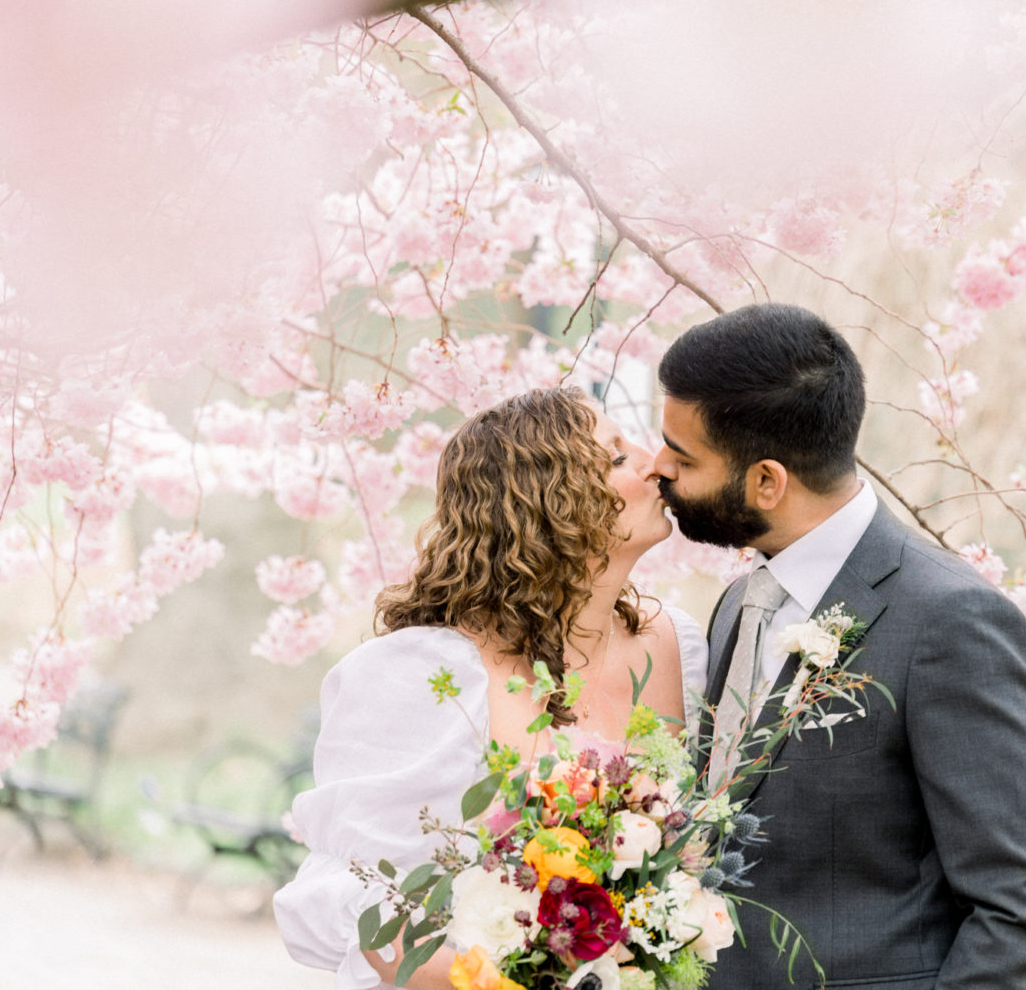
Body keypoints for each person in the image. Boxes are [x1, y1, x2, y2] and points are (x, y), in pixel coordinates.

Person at [654, 302, 1026, 990]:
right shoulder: (741, 601)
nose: (658, 468)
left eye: (683, 456)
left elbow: (1022, 909)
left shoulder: (951, 621)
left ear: (767, 481)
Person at [274, 386, 708, 990]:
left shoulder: (677, 644)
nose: (654, 461)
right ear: (551, 505)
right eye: (615, 457)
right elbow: (355, 888)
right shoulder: (425, 673)